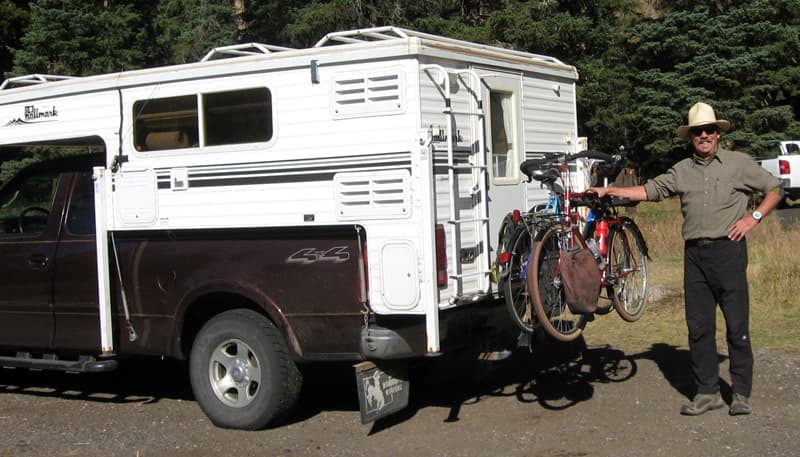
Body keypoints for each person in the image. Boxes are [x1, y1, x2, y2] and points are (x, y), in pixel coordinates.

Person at [590, 102, 783, 416]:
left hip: (728, 251)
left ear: (718, 133)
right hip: (694, 255)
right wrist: (609, 191)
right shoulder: (682, 170)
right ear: (691, 136)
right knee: (698, 327)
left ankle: (741, 394)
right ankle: (707, 392)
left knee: (737, 326)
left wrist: (754, 217)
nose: (704, 136)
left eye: (709, 130)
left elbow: (775, 188)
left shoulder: (738, 164)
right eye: (698, 132)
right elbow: (650, 189)